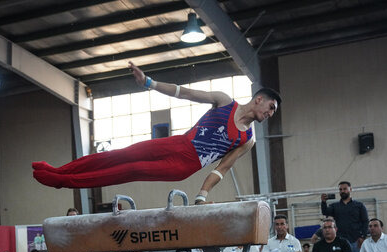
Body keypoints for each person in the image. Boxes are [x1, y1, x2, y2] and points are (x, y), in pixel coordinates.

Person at [33, 61, 281, 204]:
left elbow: (222, 168)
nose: (270, 113)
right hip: (176, 143)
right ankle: (58, 170)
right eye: (271, 107)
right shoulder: (225, 101)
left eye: (273, 112)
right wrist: (148, 83)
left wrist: (203, 193)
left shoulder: (247, 139)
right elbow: (184, 92)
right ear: (259, 99)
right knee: (120, 155)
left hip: (184, 166)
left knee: (131, 170)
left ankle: (63, 182)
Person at [320, 181, 369, 252]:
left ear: (350, 189)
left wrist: (363, 237)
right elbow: (325, 212)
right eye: (340, 189)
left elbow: (365, 221)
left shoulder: (359, 205)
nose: (342, 191)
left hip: (356, 241)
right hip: (341, 241)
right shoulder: (334, 206)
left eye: (345, 189)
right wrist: (323, 202)